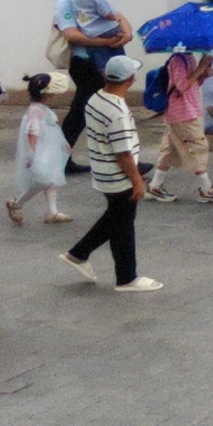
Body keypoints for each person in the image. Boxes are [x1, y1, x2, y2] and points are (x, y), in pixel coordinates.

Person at [60, 56, 154, 292]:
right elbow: (122, 153)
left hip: (103, 172)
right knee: (123, 225)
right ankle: (126, 277)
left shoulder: (95, 99)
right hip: (118, 175)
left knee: (116, 219)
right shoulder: (118, 111)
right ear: (130, 79)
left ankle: (79, 253)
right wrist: (137, 181)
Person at [48, 0, 125, 142]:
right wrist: (106, 42)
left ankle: (62, 158)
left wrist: (126, 34)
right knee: (84, 110)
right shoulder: (66, 4)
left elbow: (117, 16)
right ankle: (60, 158)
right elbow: (71, 35)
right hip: (84, 63)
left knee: (97, 109)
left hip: (104, 58)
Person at [148, 43, 213, 205]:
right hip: (183, 113)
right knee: (197, 146)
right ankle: (206, 189)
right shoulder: (178, 60)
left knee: (169, 149)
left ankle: (155, 185)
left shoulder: (188, 58)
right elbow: (182, 86)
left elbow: (193, 84)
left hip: (184, 110)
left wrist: (204, 73)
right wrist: (200, 68)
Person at [3, 73, 67, 228]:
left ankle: (52, 212)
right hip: (41, 151)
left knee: (51, 180)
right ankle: (17, 203)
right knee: (43, 180)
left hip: (47, 149)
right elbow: (33, 132)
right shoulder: (37, 110)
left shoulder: (41, 108)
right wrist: (32, 153)